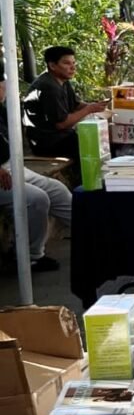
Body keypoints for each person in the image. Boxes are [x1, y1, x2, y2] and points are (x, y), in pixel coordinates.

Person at [0, 63, 72, 273]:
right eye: (3, 84)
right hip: (3, 174)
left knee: (56, 190)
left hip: (10, 166)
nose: (5, 88)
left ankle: (94, 235)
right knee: (35, 198)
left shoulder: (2, 110)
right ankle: (30, 257)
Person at [23, 46, 106, 161]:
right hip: (46, 142)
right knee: (90, 146)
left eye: (73, 63)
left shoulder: (62, 80)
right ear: (52, 66)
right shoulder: (49, 87)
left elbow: (76, 104)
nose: (73, 67)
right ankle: (85, 178)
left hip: (61, 136)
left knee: (100, 138)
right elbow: (61, 124)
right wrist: (89, 109)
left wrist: (96, 106)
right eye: (67, 63)